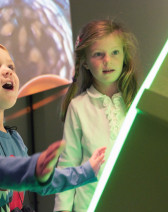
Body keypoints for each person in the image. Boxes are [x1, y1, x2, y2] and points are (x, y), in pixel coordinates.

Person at [0, 40, 106, 212]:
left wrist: (86, 172)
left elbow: (41, 182)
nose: (7, 71)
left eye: (11, 67)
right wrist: (33, 169)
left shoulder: (14, 138)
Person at [54, 19, 138, 212]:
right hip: (89, 206)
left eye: (115, 52)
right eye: (98, 54)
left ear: (124, 56)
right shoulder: (78, 107)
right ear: (84, 61)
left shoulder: (136, 102)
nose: (107, 61)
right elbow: (67, 165)